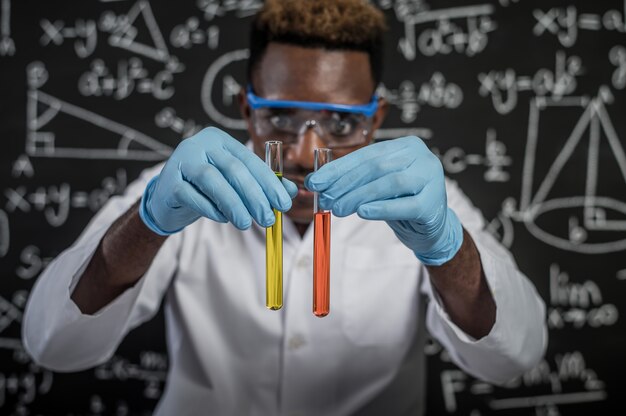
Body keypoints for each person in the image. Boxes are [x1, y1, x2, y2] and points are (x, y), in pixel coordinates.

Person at [23, 0, 547, 415]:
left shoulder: (425, 204)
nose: (299, 153)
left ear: (376, 118)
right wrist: (149, 220)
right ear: (246, 111)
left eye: (341, 123)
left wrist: (446, 248)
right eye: (278, 117)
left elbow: (515, 358)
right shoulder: (181, 189)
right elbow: (54, 345)